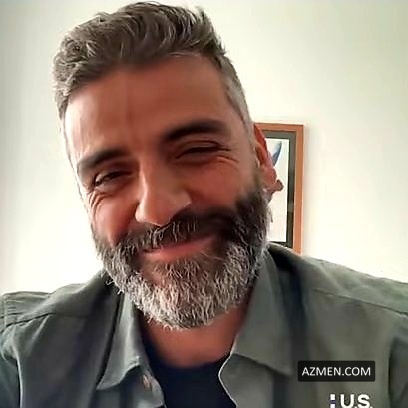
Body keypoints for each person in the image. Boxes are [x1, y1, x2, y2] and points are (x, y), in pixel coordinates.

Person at [0, 3, 407, 407]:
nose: (157, 210)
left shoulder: (390, 349)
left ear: (261, 159)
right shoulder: (20, 362)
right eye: (109, 176)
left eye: (195, 150)